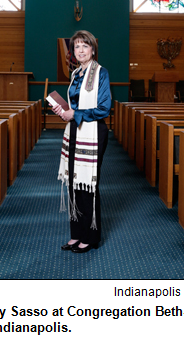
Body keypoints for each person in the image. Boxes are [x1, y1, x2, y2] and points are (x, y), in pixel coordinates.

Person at [52, 30, 111, 253]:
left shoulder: (101, 73)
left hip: (94, 132)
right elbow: (75, 106)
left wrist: (74, 115)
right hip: (75, 131)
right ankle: (76, 234)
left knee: (88, 184)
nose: (81, 50)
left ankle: (91, 236)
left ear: (93, 49)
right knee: (74, 183)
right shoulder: (76, 73)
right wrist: (63, 110)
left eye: (85, 46)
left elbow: (104, 108)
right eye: (77, 47)